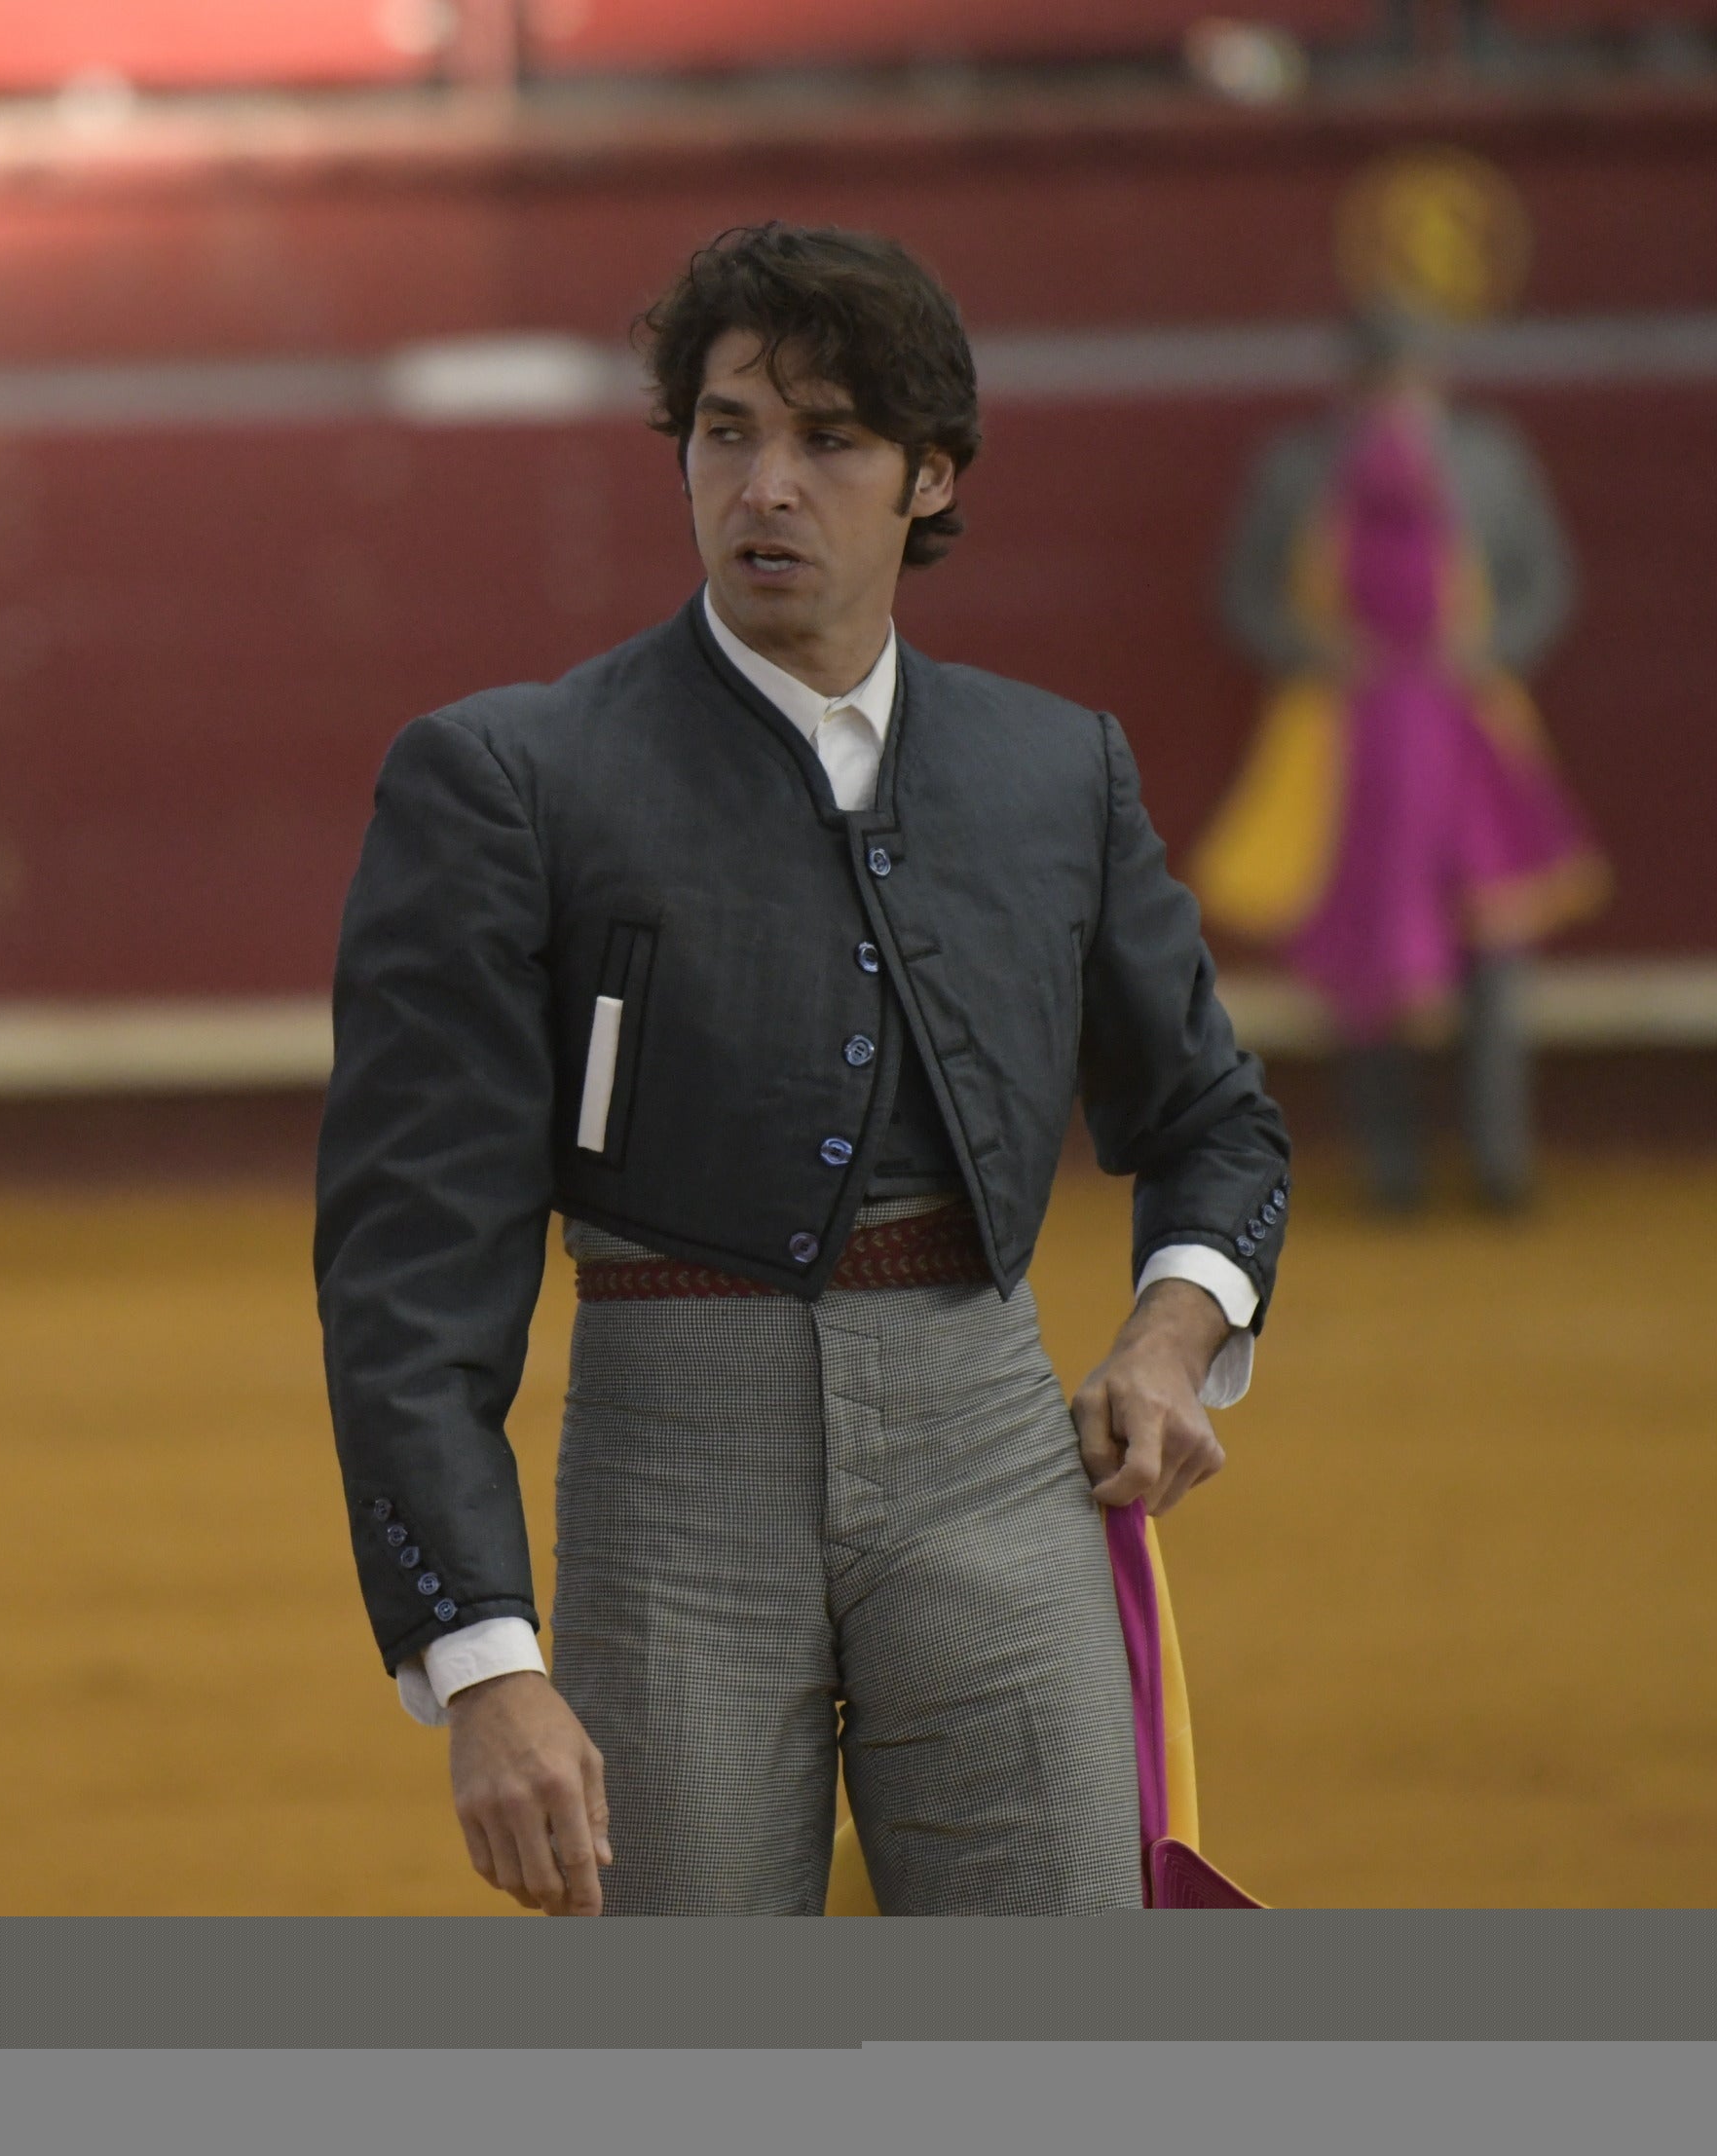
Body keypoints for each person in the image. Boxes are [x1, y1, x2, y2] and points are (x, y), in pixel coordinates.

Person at [312, 222, 1290, 1916]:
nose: (766, 484)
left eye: (828, 440)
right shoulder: (509, 780)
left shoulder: (1059, 773)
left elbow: (1215, 1123)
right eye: (725, 432)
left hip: (993, 1454)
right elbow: (409, 1266)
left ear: (929, 477)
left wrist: (1171, 1332)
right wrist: (482, 1664)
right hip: (672, 1471)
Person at [1193, 309, 1606, 1212]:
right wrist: (1316, 652)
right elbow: (1244, 595)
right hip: (1347, 736)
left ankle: (1499, 1160)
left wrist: (1490, 645)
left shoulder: (1488, 456)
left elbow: (1546, 579)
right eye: (1380, 375)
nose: (1395, 391)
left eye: (1410, 372)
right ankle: (1393, 1167)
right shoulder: (1298, 465)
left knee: (1493, 935)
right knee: (1365, 943)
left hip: (1472, 721)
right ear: (1348, 379)